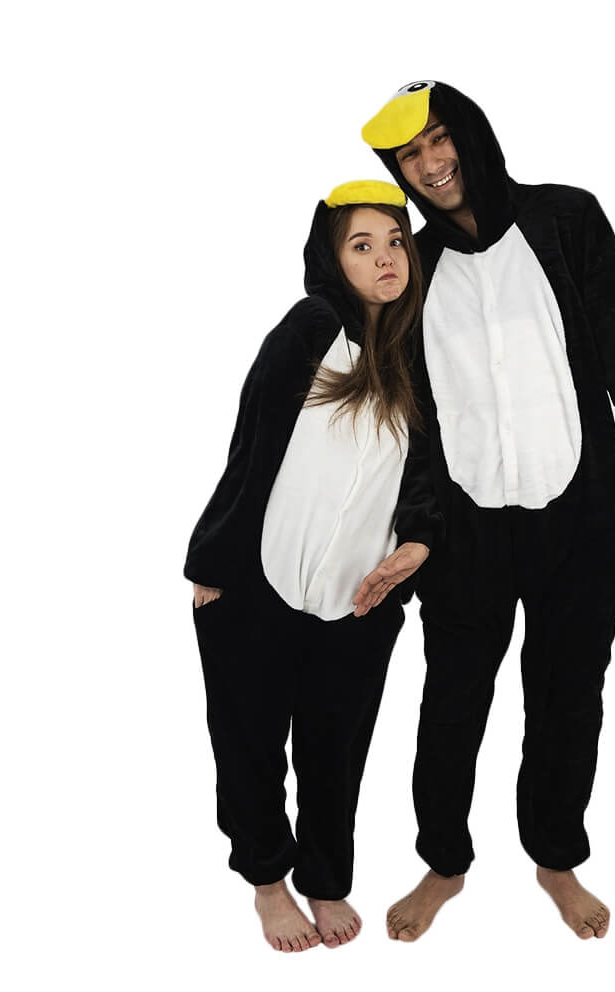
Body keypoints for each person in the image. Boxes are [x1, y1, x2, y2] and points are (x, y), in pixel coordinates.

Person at [354, 81, 615, 942]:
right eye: (409, 155)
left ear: (471, 135)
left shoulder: (566, 218)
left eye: (440, 139)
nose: (431, 164)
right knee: (452, 702)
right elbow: (412, 413)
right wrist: (416, 529)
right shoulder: (412, 266)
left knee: (569, 696)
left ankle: (555, 857)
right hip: (465, 527)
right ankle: (444, 863)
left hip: (578, 516)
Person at [184, 180, 442, 953]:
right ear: (333, 260)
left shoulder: (420, 356)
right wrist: (215, 560)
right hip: (256, 582)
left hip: (359, 599)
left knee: (337, 751)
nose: (385, 258)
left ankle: (326, 879)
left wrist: (417, 545)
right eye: (362, 246)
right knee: (251, 745)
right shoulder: (312, 326)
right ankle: (268, 882)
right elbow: (251, 443)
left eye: (395, 242)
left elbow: (428, 476)